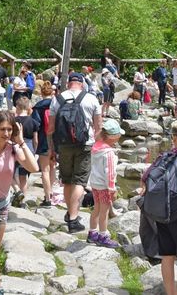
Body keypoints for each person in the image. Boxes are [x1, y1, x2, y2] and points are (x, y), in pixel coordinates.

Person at [0, 111, 39, 295]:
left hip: (2, 204)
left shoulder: (13, 148)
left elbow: (33, 168)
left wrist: (20, 142)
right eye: (2, 129)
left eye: (10, 129)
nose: (6, 133)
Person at [138, 119, 177, 295]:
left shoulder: (163, 156)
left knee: (167, 255)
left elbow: (145, 177)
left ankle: (170, 292)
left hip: (161, 213)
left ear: (173, 137)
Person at [48, 72, 103, 233]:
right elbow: (98, 127)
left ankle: (70, 211)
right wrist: (96, 145)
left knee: (67, 180)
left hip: (63, 145)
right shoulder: (91, 98)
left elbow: (50, 129)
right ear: (82, 83)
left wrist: (52, 149)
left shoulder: (57, 99)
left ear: (68, 84)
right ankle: (73, 219)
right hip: (85, 144)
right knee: (79, 181)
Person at [88, 119, 123, 248]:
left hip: (95, 183)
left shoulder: (95, 147)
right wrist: (112, 188)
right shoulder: (108, 153)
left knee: (96, 208)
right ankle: (103, 235)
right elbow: (110, 173)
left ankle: (92, 233)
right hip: (104, 186)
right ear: (113, 138)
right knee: (104, 211)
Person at [32, 81, 57, 208]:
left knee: (45, 171)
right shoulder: (57, 104)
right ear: (52, 92)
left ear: (41, 92)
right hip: (56, 142)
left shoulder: (38, 107)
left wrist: (35, 143)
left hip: (43, 141)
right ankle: (51, 192)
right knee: (53, 167)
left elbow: (35, 126)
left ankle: (47, 199)